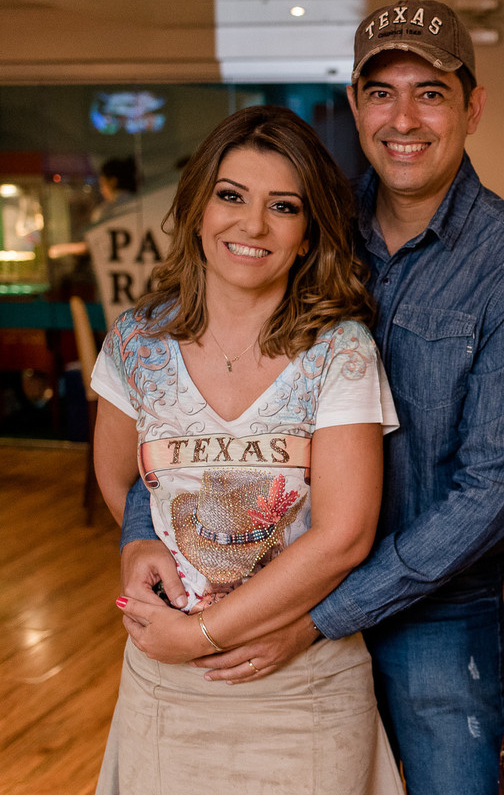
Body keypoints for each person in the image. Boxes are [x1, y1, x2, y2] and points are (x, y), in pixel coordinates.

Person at [119, 0, 504, 793]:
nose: (404, 119)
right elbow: (186, 414)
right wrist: (138, 537)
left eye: (430, 93)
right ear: (356, 105)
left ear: (473, 107)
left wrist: (322, 616)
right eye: (381, 92)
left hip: (433, 614)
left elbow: (493, 492)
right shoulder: (306, 225)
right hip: (275, 587)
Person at [92, 105, 404, 794]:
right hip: (166, 687)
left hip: (301, 687)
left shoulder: (339, 351)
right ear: (197, 208)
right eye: (231, 196)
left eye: (283, 206)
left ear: (308, 233)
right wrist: (137, 543)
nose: (253, 225)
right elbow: (120, 480)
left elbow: (345, 536)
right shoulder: (136, 343)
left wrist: (202, 634)